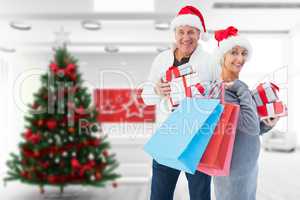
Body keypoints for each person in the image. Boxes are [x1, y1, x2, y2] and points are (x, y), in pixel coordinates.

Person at [141, 5, 218, 200]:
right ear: (174, 34)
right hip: (168, 136)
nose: (186, 37)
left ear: (199, 33)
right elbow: (146, 97)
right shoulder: (161, 60)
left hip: (198, 140)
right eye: (181, 32)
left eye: (191, 32)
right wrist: (157, 90)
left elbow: (220, 96)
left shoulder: (210, 62)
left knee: (200, 195)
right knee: (159, 195)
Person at [211, 26, 279, 200]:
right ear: (222, 56)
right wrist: (241, 88)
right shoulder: (223, 91)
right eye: (234, 52)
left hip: (248, 165)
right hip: (232, 168)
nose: (240, 58)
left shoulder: (239, 87)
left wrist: (267, 124)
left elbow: (250, 128)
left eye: (243, 53)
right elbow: (249, 126)